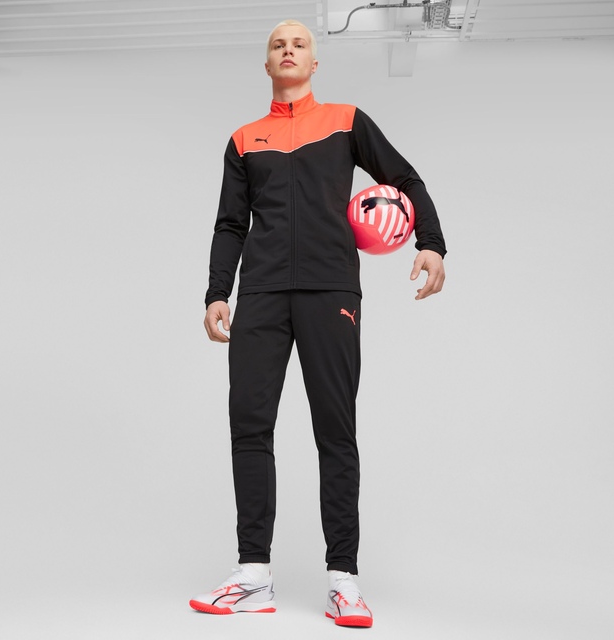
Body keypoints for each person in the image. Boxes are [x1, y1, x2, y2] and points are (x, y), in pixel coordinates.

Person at [190, 19, 446, 628]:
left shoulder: (346, 121)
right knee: (249, 425)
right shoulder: (243, 140)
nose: (288, 50)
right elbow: (230, 224)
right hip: (262, 293)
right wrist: (217, 293)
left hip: (331, 289)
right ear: (267, 63)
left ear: (313, 62)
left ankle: (343, 581)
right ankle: (253, 576)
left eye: (299, 43)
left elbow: (405, 179)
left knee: (335, 429)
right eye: (278, 45)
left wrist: (431, 243)